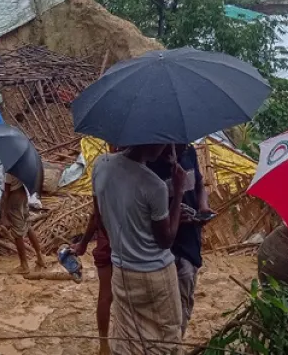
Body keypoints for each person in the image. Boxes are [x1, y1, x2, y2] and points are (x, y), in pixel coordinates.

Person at [92, 144, 185, 355]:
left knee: (128, 340)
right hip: (156, 274)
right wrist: (178, 193)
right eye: (160, 141)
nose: (163, 148)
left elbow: (99, 218)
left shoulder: (101, 165)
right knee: (165, 341)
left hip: (122, 271)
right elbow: (166, 240)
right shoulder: (154, 186)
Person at [149, 144, 210, 337]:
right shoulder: (150, 163)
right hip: (162, 247)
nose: (185, 143)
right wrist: (173, 214)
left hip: (190, 242)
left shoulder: (189, 152)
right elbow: (145, 210)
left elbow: (200, 185)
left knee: (185, 299)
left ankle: (175, 343)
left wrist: (203, 206)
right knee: (165, 306)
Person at [74, 205, 113, 355]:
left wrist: (83, 245)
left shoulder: (102, 182)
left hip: (107, 241)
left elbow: (95, 216)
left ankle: (104, 345)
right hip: (129, 241)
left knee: (105, 296)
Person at [0, 172, 46, 273]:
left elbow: (6, 193)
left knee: (17, 232)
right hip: (21, 193)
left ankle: (24, 265)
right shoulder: (20, 166)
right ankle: (40, 257)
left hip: (13, 197)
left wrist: (4, 215)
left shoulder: (9, 169)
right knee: (27, 226)